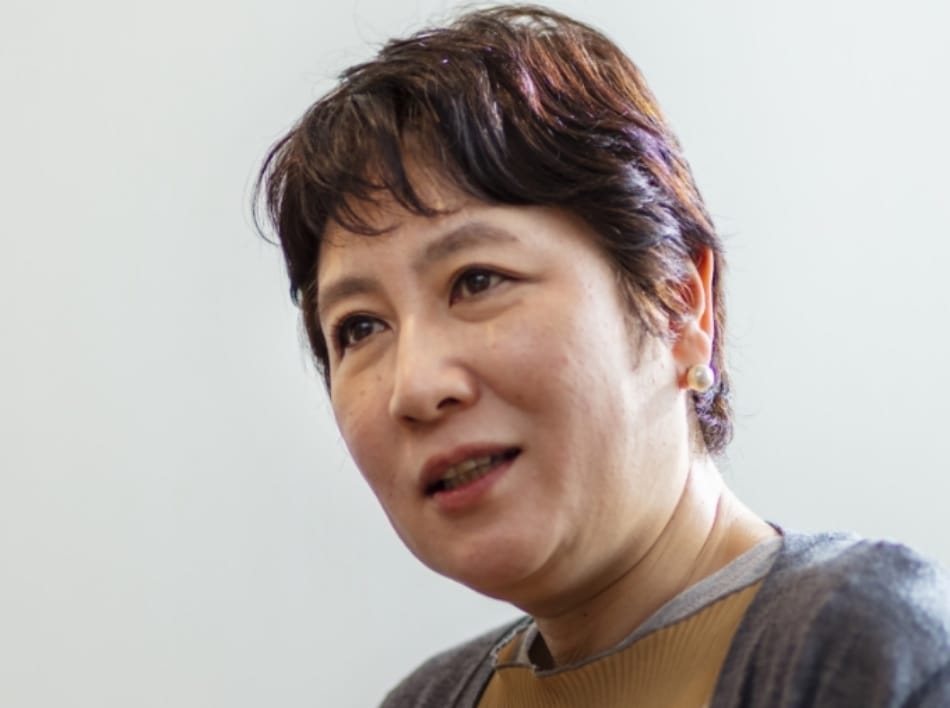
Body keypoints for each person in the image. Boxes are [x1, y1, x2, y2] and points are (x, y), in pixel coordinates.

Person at [254, 5, 950, 706]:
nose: (414, 386)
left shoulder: (866, 650)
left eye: (478, 280)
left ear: (678, 304)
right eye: (359, 327)